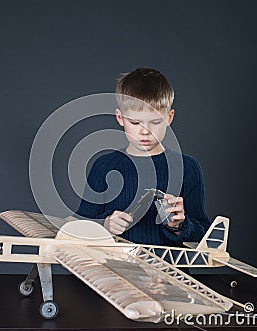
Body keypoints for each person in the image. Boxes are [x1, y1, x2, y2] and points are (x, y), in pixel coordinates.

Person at [76, 68, 210, 247]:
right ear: (120, 118)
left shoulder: (187, 168)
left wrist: (180, 226)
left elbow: (203, 235)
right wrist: (105, 224)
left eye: (155, 122)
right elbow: (77, 227)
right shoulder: (104, 166)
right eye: (135, 122)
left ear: (169, 118)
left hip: (167, 273)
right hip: (113, 271)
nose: (145, 131)